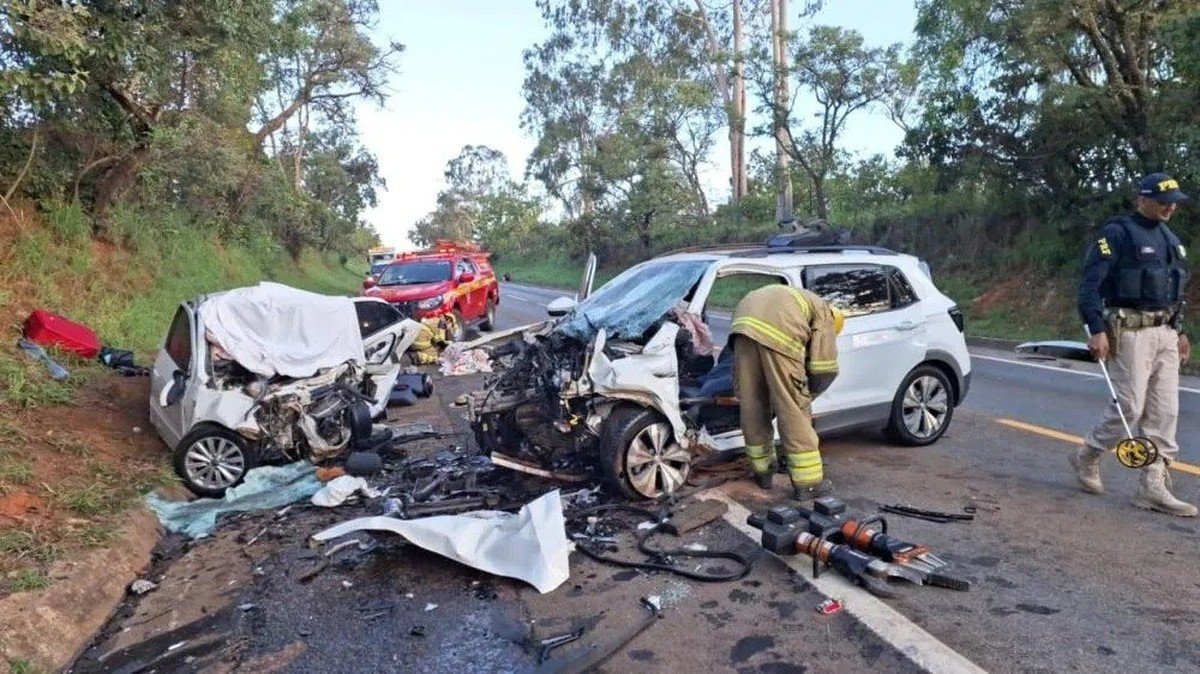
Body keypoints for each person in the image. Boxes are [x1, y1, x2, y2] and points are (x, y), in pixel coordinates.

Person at [1073, 172, 1195, 517]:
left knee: (1165, 411)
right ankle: (1088, 454)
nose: (1170, 208)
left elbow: (1174, 289)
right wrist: (1096, 328)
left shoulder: (1170, 238)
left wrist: (1180, 330)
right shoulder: (1117, 234)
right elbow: (1089, 286)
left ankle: (1152, 486)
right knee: (1130, 406)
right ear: (1143, 199)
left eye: (1173, 203)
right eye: (1163, 201)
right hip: (1130, 331)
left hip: (1165, 332)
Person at [731, 283, 843, 500]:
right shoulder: (825, 314)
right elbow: (824, 367)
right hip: (779, 328)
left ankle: (762, 471)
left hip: (743, 324)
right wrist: (806, 393)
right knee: (793, 409)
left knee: (753, 402)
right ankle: (808, 484)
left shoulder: (800, 298)